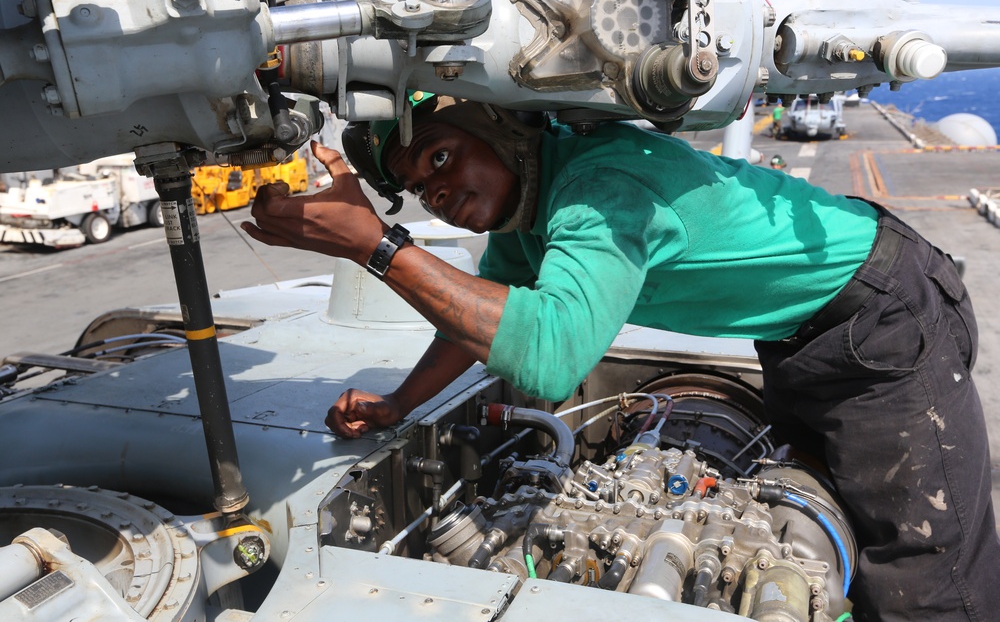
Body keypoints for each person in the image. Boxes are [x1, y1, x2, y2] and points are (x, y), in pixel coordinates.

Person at [242, 95, 1000, 620]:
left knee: (926, 585)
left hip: (883, 314)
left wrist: (377, 245)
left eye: (443, 157)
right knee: (819, 513)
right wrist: (401, 404)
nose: (438, 193)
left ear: (502, 133)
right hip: (803, 332)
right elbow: (482, 313)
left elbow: (549, 358)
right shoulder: (530, 209)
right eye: (416, 187)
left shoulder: (598, 186)